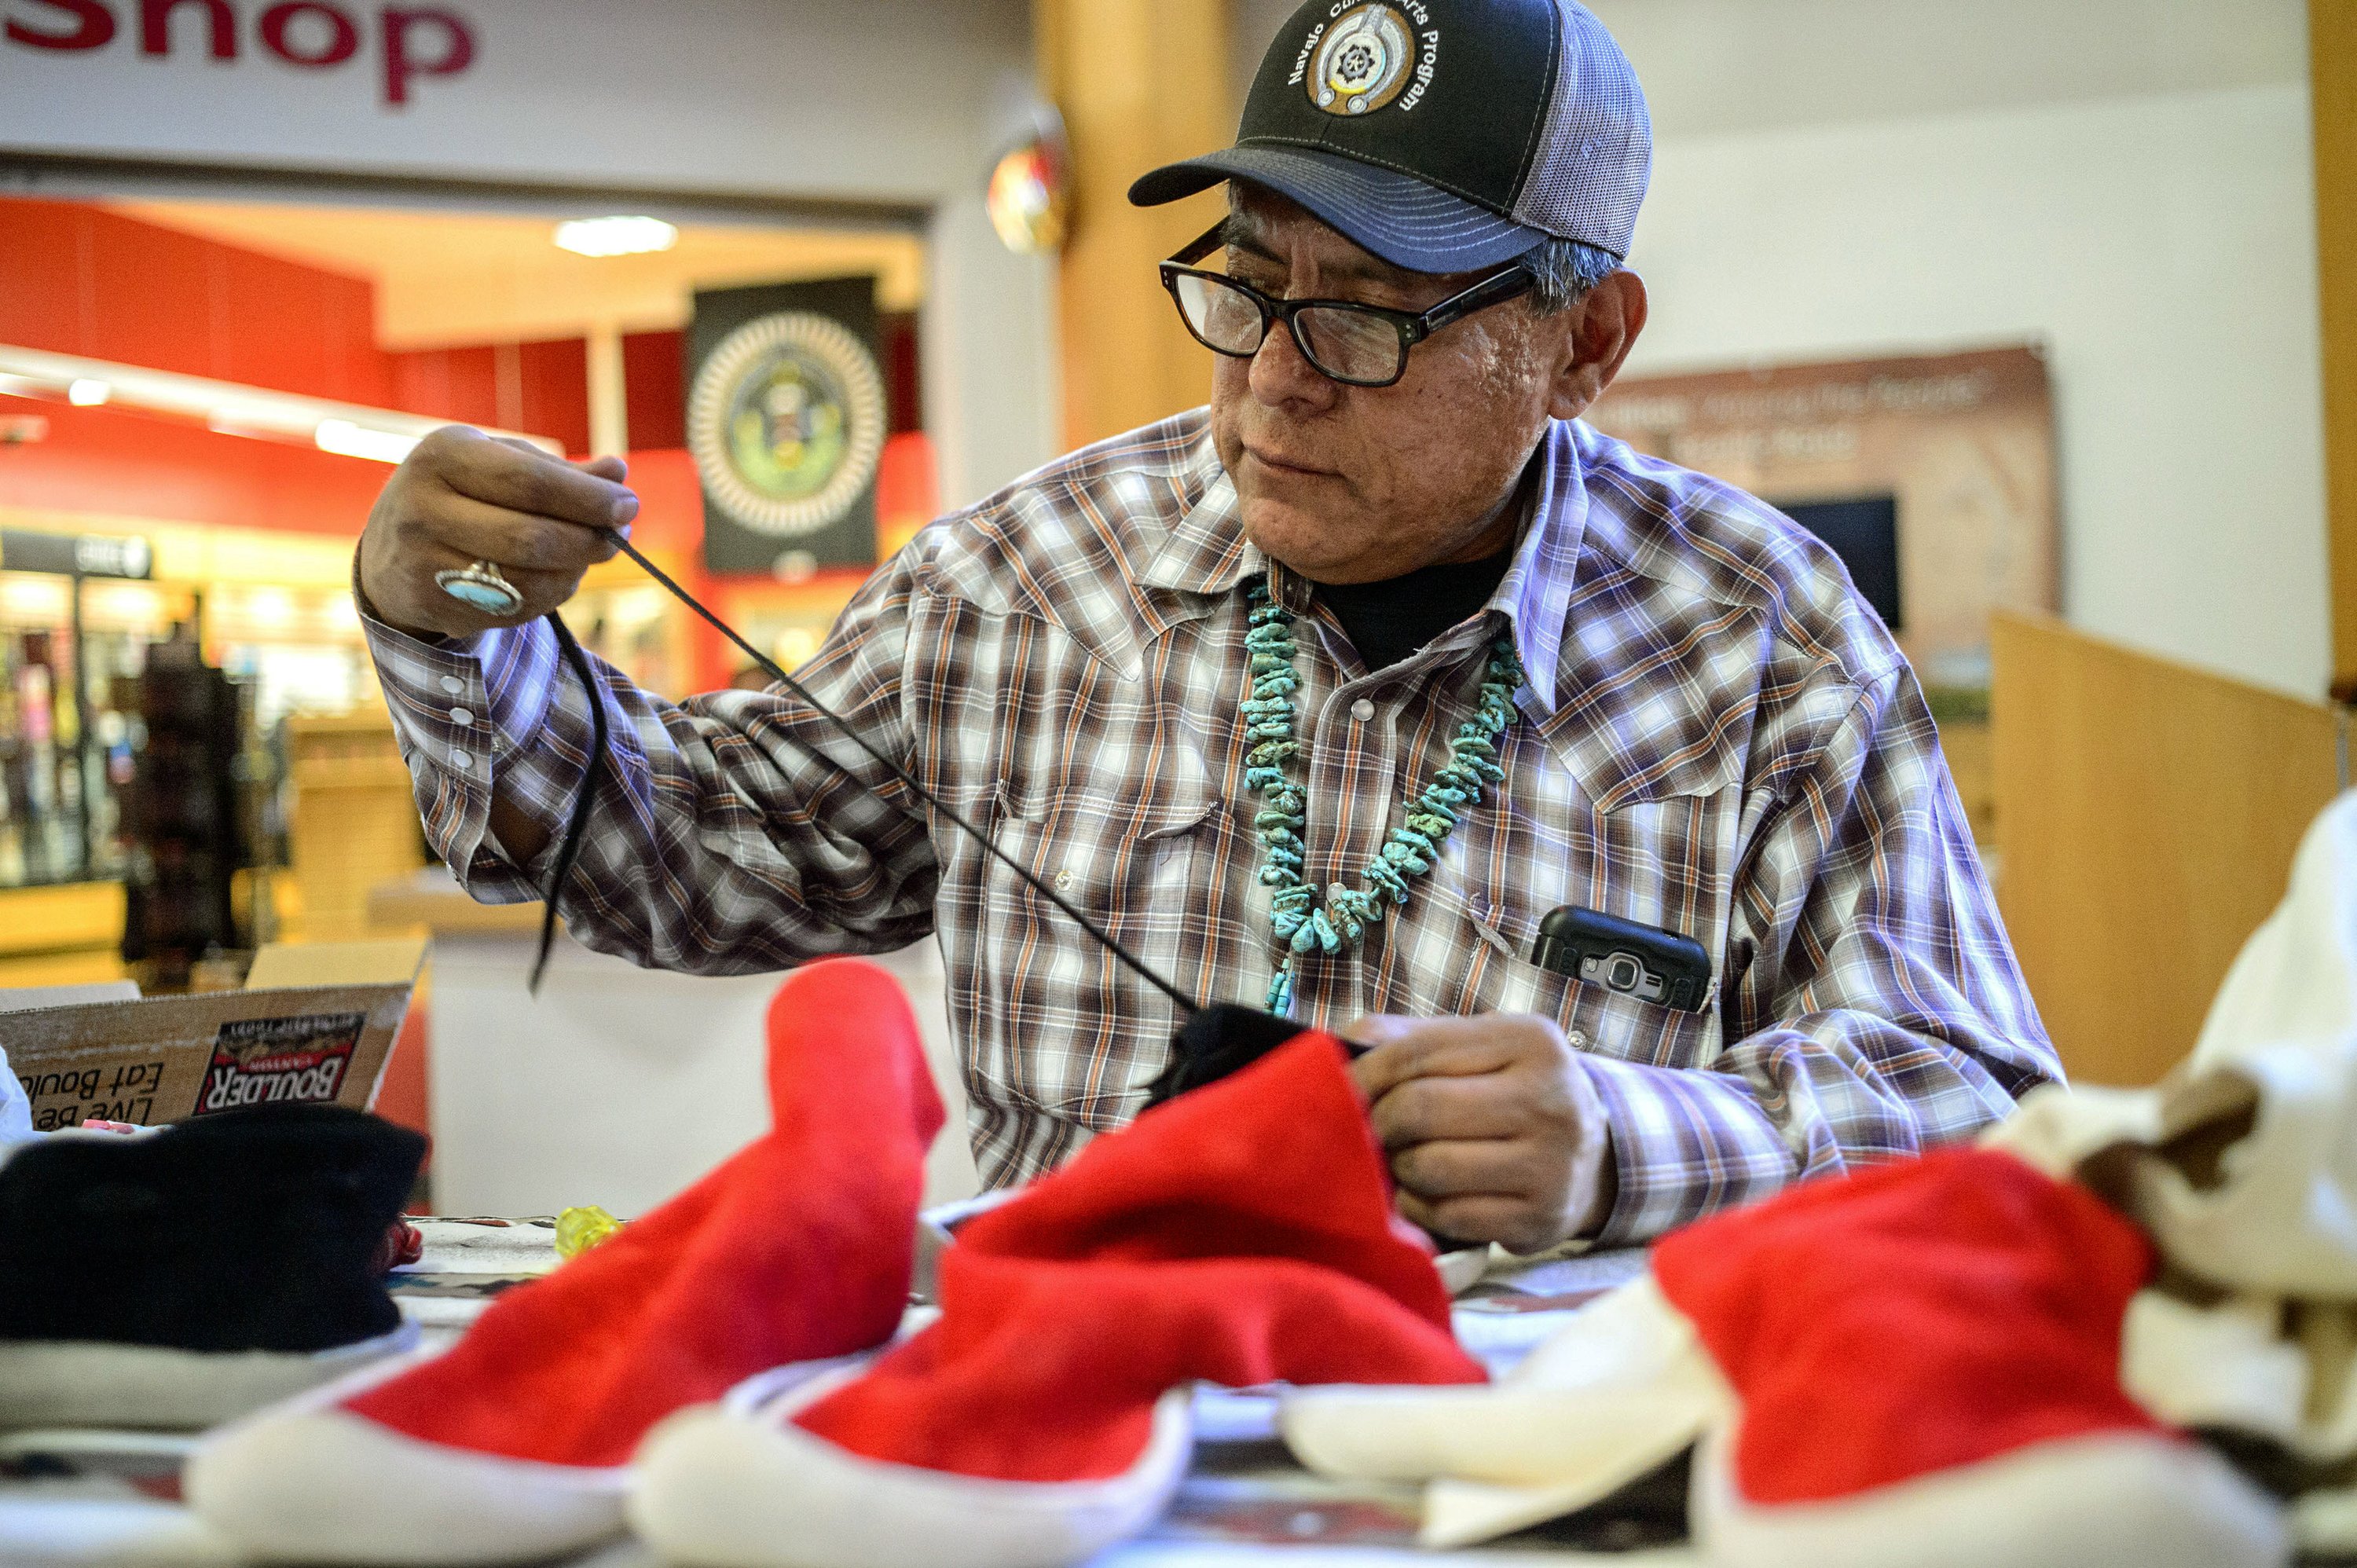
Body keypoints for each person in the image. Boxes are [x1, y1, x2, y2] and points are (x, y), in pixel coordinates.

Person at [351, 0, 2058, 1253]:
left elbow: (1981, 1090)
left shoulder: (1761, 642)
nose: (1270, 384)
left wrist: (1634, 1134)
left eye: (1373, 318)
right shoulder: (1028, 578)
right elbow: (682, 850)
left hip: (1515, 1484)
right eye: (1244, 283)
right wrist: (450, 630)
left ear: (1584, 340)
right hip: (1056, 1443)